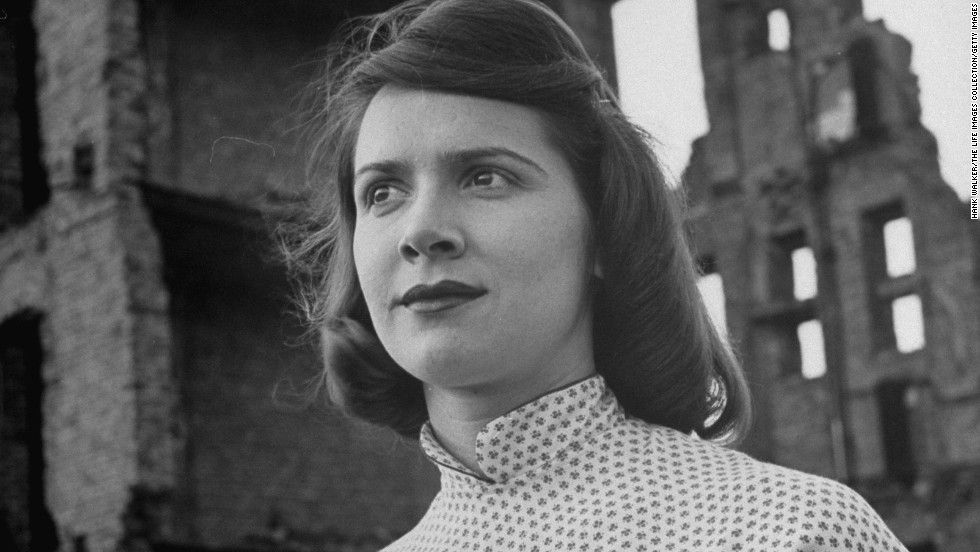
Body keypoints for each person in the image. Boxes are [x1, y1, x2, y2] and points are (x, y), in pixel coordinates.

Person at [284, 0, 909, 550]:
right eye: (383, 192)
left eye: (484, 177)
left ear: (604, 230)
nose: (420, 231)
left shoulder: (787, 532)